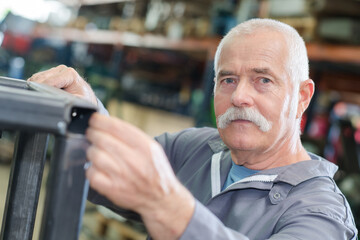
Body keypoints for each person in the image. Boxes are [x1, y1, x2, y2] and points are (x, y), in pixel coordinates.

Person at [28, 18, 357, 240]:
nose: (240, 96)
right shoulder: (192, 149)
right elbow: (104, 170)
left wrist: (167, 206)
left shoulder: (321, 213)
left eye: (264, 80)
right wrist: (88, 112)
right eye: (228, 79)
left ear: (302, 97)